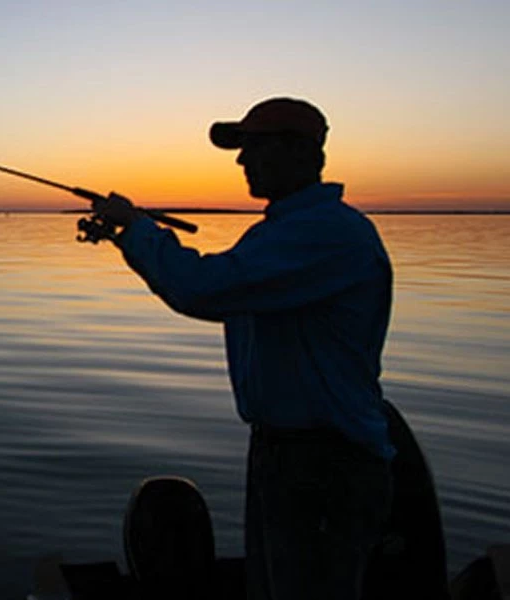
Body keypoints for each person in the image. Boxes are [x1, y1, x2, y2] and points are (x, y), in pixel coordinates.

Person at [93, 97, 394, 599]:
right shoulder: (284, 232)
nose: (241, 160)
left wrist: (137, 230)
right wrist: (137, 235)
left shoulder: (324, 233)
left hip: (324, 465)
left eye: (252, 147)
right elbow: (218, 288)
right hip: (288, 455)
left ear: (298, 152)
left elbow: (204, 288)